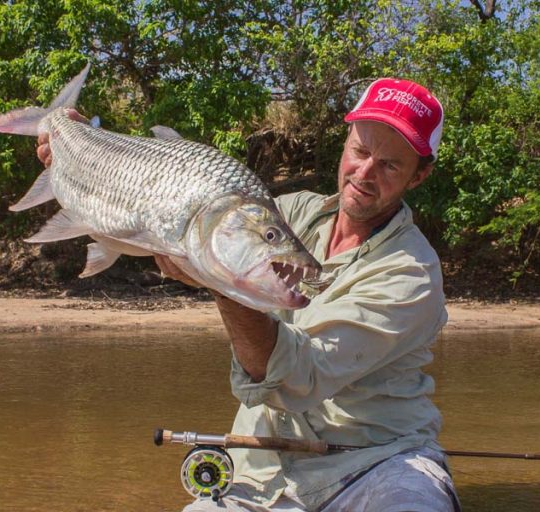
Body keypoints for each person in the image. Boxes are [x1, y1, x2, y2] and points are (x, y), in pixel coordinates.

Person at [37, 78, 460, 512]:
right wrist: (79, 158)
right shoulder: (291, 210)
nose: (365, 174)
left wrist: (224, 285)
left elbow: (299, 379)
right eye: (360, 151)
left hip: (376, 464)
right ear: (345, 141)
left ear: (419, 175)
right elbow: (194, 242)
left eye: (390, 165)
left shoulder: (412, 272)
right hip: (260, 468)